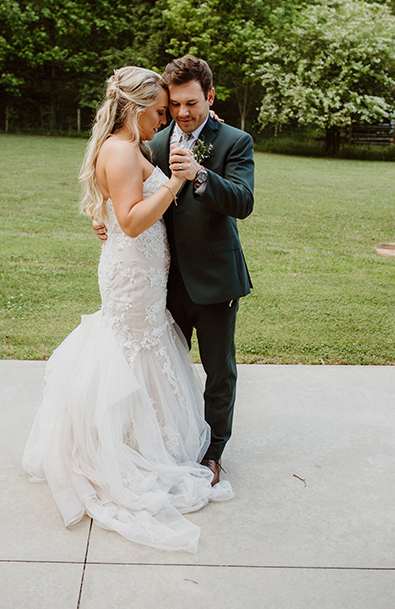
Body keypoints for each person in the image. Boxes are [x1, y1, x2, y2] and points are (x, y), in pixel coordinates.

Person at [23, 66, 233, 554]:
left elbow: (122, 209)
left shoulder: (135, 144)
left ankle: (139, 440)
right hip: (132, 272)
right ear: (136, 108)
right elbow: (133, 221)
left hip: (143, 272)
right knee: (130, 347)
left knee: (145, 346)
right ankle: (123, 449)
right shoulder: (120, 150)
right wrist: (175, 184)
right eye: (160, 111)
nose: (166, 121)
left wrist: (201, 121)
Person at [95, 55, 254, 485]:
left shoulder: (235, 141)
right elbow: (124, 188)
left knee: (219, 369)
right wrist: (103, 214)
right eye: (174, 105)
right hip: (162, 283)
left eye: (191, 104)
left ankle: (215, 450)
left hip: (216, 278)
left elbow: (243, 201)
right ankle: (163, 443)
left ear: (210, 98)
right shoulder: (152, 141)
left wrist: (202, 176)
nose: (182, 114)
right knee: (166, 369)